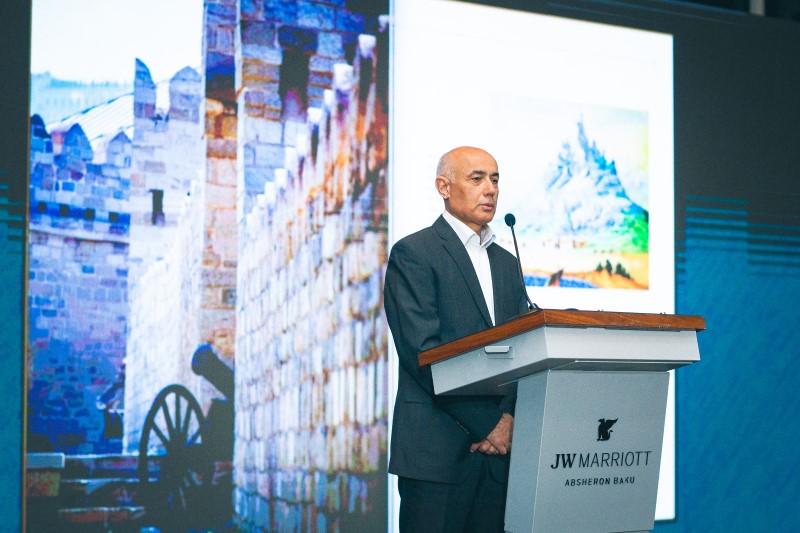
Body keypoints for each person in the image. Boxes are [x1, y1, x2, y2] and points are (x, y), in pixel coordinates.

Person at [384, 146, 530, 532]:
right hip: (437, 456)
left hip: (500, 457)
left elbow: (524, 350)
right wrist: (489, 424)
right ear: (443, 187)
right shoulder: (414, 253)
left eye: (495, 179)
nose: (490, 189)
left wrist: (508, 419)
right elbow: (423, 354)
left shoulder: (506, 262)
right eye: (477, 178)